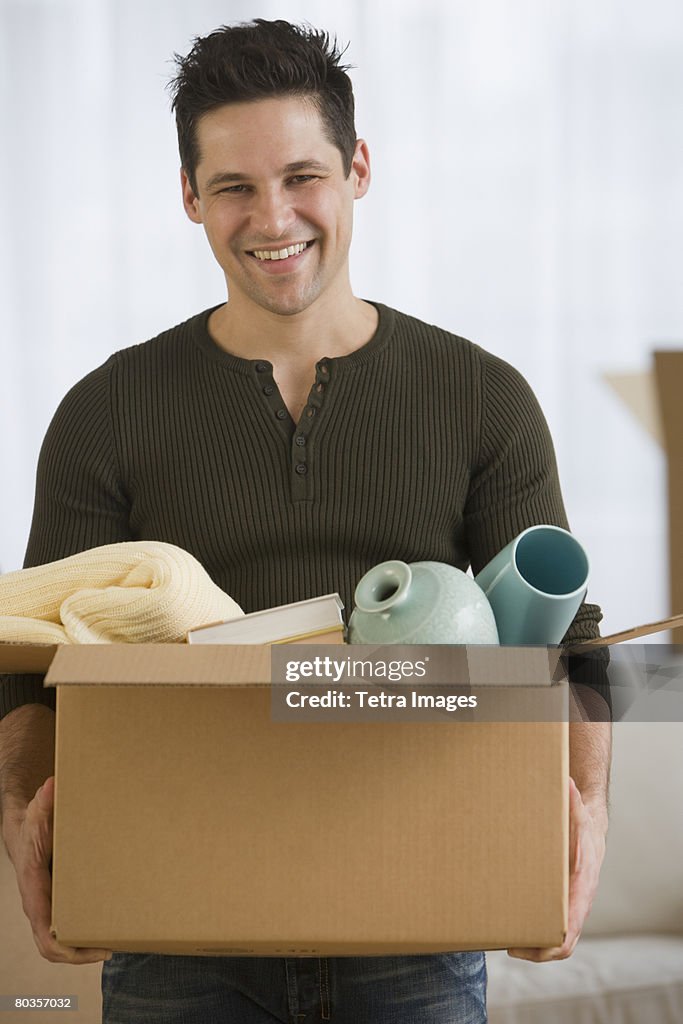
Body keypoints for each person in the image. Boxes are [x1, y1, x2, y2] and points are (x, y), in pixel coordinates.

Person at [0, 19, 611, 1024]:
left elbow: (565, 646)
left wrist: (582, 818)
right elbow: (32, 656)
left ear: (357, 167)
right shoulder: (105, 412)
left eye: (302, 176)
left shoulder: (478, 397)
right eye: (233, 186)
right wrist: (26, 813)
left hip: (419, 917)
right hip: (171, 928)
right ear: (188, 195)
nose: (272, 216)